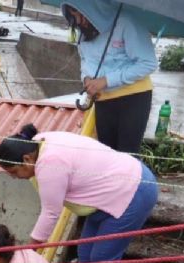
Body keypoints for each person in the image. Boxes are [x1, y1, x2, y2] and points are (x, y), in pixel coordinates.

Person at [0, 124, 158, 263]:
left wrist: (28, 253)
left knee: (103, 259)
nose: (15, 178)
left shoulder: (49, 164)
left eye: (14, 172)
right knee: (85, 253)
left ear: (26, 159)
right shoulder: (39, 142)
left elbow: (51, 213)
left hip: (133, 190)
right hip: (107, 193)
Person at [61, 1, 157, 153]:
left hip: (133, 97)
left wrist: (106, 80)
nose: (79, 21)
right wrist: (86, 78)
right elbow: (85, 60)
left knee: (127, 155)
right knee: (106, 155)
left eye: (81, 14)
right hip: (102, 97)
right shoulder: (84, 30)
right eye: (73, 16)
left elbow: (148, 63)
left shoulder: (127, 22)